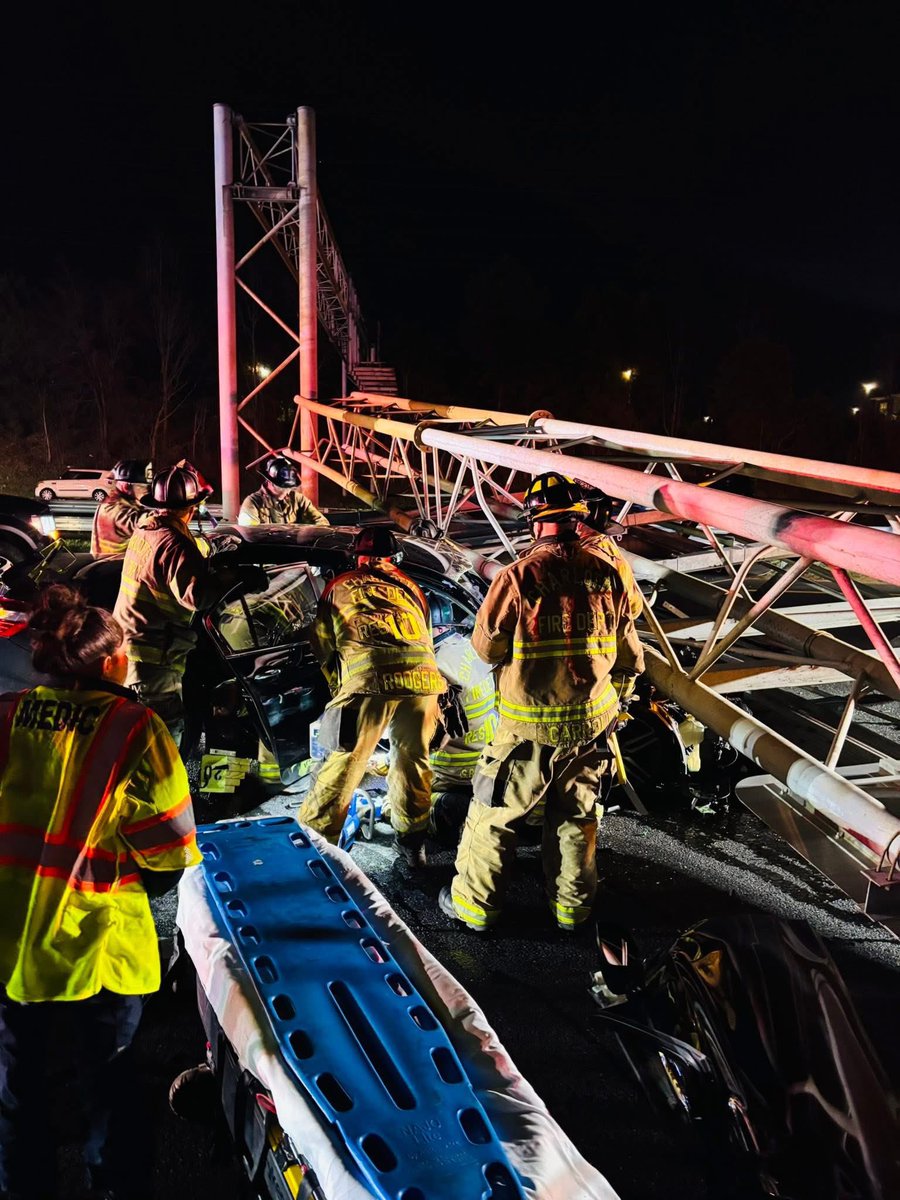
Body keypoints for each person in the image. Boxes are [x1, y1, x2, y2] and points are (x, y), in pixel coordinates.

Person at [0, 584, 201, 1200]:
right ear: (112, 661)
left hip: (10, 940)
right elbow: (169, 849)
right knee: (110, 1085)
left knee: (17, 1090)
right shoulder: (134, 727)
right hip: (97, 943)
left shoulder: (8, 713)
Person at [439, 471, 645, 934]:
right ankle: (572, 911)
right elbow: (631, 656)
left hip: (527, 730)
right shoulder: (609, 573)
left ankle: (474, 909)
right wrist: (615, 704)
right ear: (576, 519)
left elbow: (485, 649)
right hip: (591, 725)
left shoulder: (517, 577)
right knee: (576, 819)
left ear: (535, 522)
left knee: (495, 816)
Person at [298, 526, 446, 866]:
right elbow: (424, 635)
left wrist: (339, 687)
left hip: (369, 681)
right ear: (395, 559)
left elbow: (322, 641)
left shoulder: (340, 585)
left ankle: (313, 848)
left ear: (358, 557)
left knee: (344, 763)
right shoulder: (411, 587)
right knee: (413, 763)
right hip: (423, 683)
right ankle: (413, 845)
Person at [113, 463, 266, 749]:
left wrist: (209, 547)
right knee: (162, 742)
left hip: (130, 653)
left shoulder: (147, 530)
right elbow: (197, 596)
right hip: (154, 662)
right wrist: (236, 577)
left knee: (136, 740)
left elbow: (175, 556)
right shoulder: (175, 544)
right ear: (193, 508)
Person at [238, 454, 329, 528]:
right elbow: (250, 535)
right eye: (283, 488)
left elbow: (322, 523)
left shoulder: (298, 500)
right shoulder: (252, 503)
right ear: (270, 482)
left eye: (289, 488)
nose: (287, 492)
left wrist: (305, 535)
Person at [90, 459, 150, 557]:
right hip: (113, 563)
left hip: (109, 562)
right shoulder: (115, 508)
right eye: (142, 486)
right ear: (126, 486)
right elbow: (146, 523)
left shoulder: (114, 502)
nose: (147, 490)